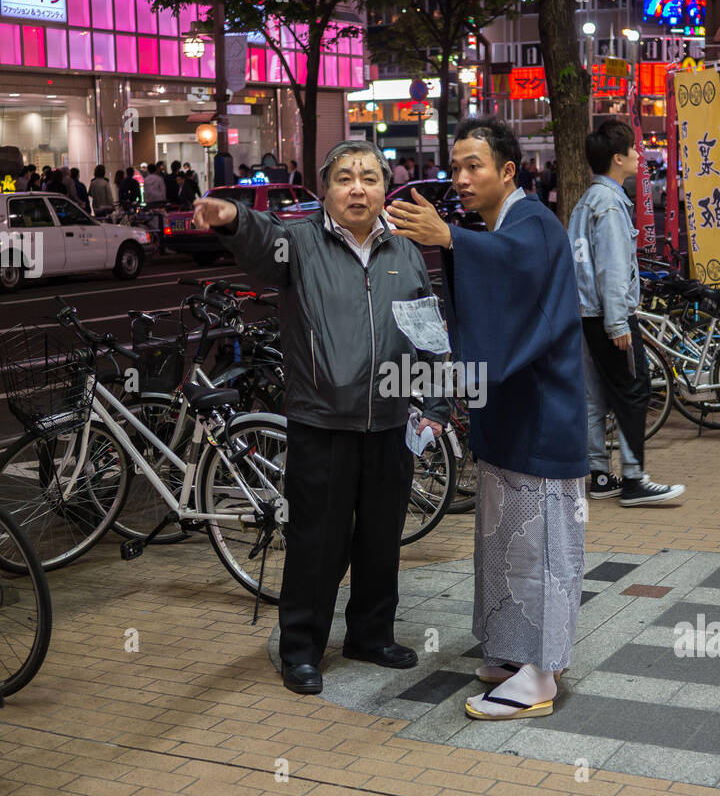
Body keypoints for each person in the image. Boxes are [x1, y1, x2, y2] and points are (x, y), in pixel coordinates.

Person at [193, 139, 450, 697]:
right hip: (321, 423)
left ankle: (371, 635)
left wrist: (434, 404)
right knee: (317, 542)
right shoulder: (300, 244)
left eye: (370, 178)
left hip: (390, 423)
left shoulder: (403, 250)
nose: (358, 188)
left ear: (386, 188)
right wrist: (235, 218)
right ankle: (302, 649)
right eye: (345, 178)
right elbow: (262, 245)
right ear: (325, 189)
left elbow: (429, 332)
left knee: (381, 540)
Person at [390, 116, 589, 723]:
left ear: (508, 170)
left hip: (541, 416)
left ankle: (540, 674)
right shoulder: (502, 228)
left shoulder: (532, 225)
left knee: (542, 548)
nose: (461, 177)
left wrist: (450, 237)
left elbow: (509, 263)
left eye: (474, 165)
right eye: (455, 166)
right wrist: (458, 239)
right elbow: (496, 272)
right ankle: (513, 651)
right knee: (507, 543)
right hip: (512, 415)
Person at [569, 119, 685, 506]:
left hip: (585, 315)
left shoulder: (586, 202)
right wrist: (618, 321)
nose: (639, 155)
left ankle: (601, 475)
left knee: (595, 397)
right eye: (633, 150)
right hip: (609, 316)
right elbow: (613, 267)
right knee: (634, 391)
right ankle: (634, 480)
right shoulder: (612, 204)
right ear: (618, 158)